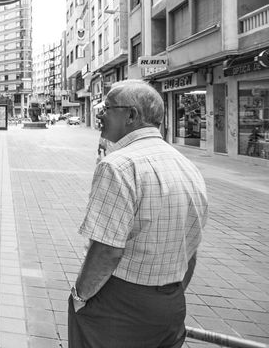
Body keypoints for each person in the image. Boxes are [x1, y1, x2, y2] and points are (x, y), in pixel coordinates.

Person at [69, 79, 208, 348]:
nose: (100, 114)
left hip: (118, 306)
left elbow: (107, 250)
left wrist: (79, 296)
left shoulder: (119, 166)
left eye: (107, 108)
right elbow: (190, 247)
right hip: (171, 302)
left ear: (131, 115)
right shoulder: (187, 166)